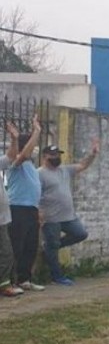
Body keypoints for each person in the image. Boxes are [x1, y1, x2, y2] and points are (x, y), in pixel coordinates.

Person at [39, 137, 100, 285]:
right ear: (45, 157)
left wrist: (92, 154)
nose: (56, 158)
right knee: (52, 247)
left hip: (68, 216)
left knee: (80, 234)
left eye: (58, 155)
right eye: (53, 155)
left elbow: (82, 165)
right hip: (51, 218)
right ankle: (57, 276)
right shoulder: (39, 173)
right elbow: (35, 194)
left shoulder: (64, 170)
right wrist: (39, 214)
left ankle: (50, 248)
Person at [4, 117, 44, 293]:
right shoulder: (16, 163)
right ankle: (11, 281)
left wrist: (38, 210)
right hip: (17, 208)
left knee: (30, 246)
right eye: (31, 145)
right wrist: (36, 131)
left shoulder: (32, 168)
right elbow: (24, 154)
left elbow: (34, 191)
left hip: (31, 210)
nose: (34, 149)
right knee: (16, 247)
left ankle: (24, 279)